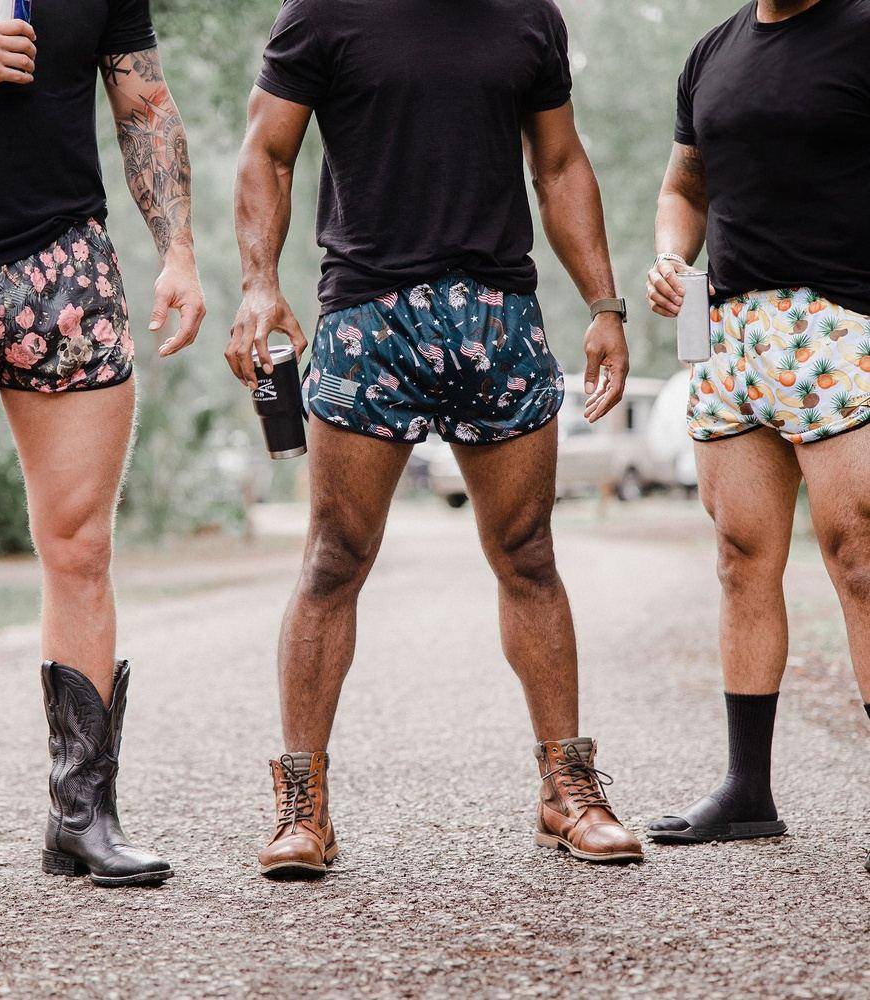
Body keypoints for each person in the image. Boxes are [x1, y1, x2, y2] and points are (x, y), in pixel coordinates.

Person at [232, 0, 640, 879]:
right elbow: (268, 150)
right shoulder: (322, 12)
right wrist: (259, 284)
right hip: (368, 314)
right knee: (334, 558)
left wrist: (604, 304)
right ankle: (304, 807)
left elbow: (560, 163)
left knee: (529, 553)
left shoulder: (529, 15)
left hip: (499, 312)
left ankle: (566, 789)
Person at [0, 1, 205, 902]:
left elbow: (145, 107)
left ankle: (83, 813)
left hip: (70, 277)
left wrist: (178, 252)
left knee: (81, 545)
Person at [646, 0, 870, 866]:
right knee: (741, 557)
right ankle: (748, 792)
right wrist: (673, 257)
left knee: (859, 557)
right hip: (731, 332)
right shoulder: (713, 53)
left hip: (841, 327)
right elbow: (683, 188)